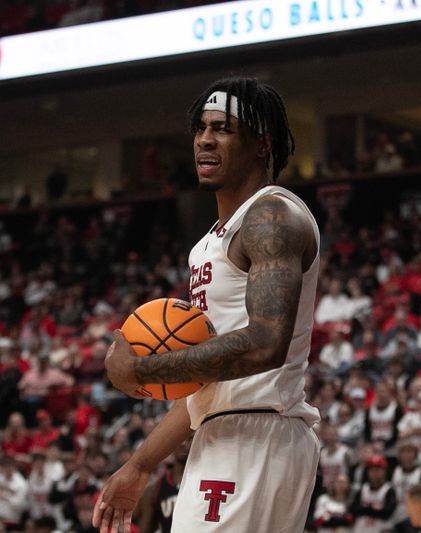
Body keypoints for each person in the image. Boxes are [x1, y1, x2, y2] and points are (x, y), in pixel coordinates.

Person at [95, 76, 322, 532]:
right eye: (201, 128)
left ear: (262, 143)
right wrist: (140, 465)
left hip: (258, 434)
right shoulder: (208, 245)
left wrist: (140, 372)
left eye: (223, 128)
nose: (205, 139)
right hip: (224, 433)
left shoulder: (271, 217)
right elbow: (206, 380)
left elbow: (264, 344)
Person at [135, 439, 190, 533]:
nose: (183, 443)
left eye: (190, 438)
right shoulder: (154, 489)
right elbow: (145, 528)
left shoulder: (209, 483)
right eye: (181, 438)